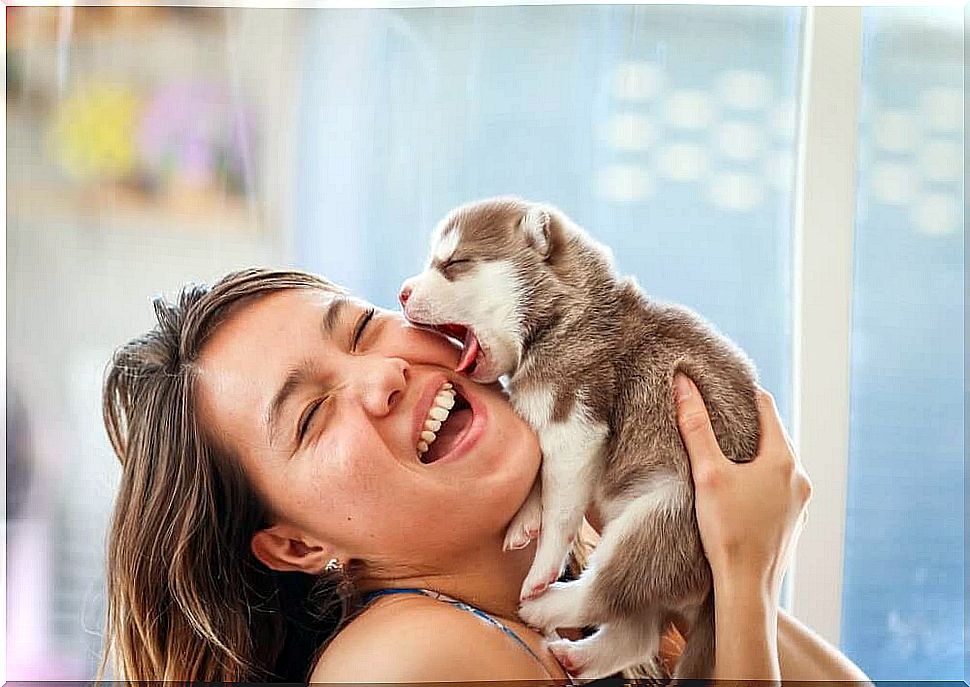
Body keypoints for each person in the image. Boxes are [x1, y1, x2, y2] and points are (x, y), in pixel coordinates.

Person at [99, 267, 870, 682]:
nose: (384, 375)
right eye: (311, 416)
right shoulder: (400, 665)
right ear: (297, 544)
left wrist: (690, 567)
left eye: (365, 328)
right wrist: (742, 569)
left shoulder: (556, 592)